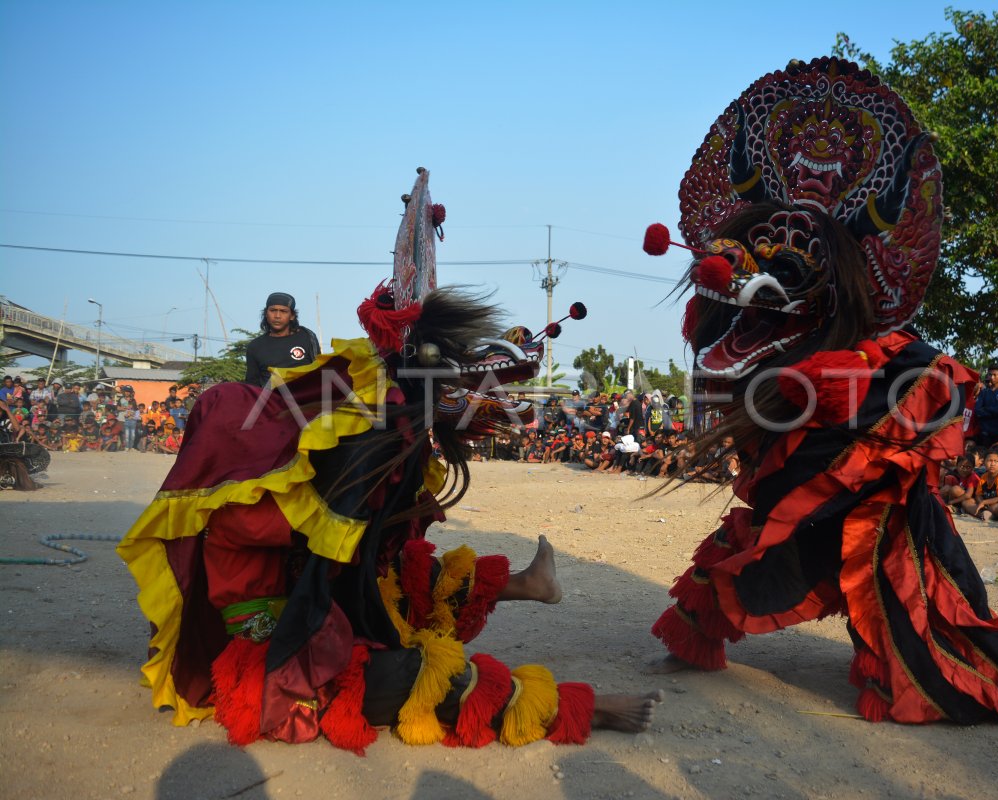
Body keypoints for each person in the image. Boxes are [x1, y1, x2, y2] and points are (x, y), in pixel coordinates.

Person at [118, 171, 659, 752]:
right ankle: (583, 708)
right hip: (282, 650)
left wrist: (396, 487)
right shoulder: (233, 512)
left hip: (321, 607)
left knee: (402, 576)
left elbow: (346, 540)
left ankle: (526, 584)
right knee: (412, 674)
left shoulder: (277, 480)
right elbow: (325, 543)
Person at [642, 57, 998, 724]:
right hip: (793, 483)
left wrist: (847, 392)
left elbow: (935, 395)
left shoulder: (883, 353)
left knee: (890, 575)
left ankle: (926, 674)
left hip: (873, 505)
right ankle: (694, 642)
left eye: (786, 266)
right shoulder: (754, 332)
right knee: (752, 542)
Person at [243, 292, 322, 386]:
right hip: (270, 399)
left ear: (292, 316)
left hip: (304, 397)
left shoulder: (307, 336)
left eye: (283, 311)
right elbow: (252, 385)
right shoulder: (255, 346)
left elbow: (319, 371)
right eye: (273, 310)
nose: (277, 316)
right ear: (266, 314)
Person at [973, 365, 998, 445]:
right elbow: (977, 410)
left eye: (995, 375)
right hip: (985, 434)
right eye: (990, 375)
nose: (992, 377)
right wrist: (995, 411)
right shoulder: (984, 392)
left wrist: (986, 410)